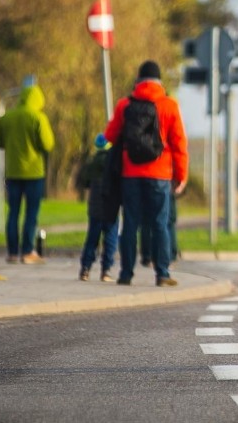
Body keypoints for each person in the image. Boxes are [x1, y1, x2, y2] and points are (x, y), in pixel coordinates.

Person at [105, 60, 188, 287]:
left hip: (130, 172)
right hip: (160, 174)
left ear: (139, 80)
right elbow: (179, 143)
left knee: (130, 223)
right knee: (159, 224)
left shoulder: (125, 105)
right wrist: (181, 176)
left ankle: (125, 274)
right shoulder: (169, 106)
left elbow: (110, 136)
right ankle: (162, 274)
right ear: (159, 81)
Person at [0, 81, 55, 265]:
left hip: (13, 172)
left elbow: (0, 142)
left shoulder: (6, 117)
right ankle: (28, 251)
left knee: (13, 212)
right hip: (33, 172)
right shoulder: (38, 117)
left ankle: (12, 253)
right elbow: (48, 144)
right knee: (31, 213)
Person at [77, 134, 119, 282]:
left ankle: (85, 269)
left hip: (94, 207)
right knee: (111, 239)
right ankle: (106, 270)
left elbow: (84, 181)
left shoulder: (92, 162)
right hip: (111, 206)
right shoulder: (114, 161)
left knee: (92, 238)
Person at [140, 180, 179, 267]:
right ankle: (168, 257)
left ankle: (148, 256)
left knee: (146, 220)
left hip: (141, 178)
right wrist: (180, 180)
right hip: (164, 177)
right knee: (167, 221)